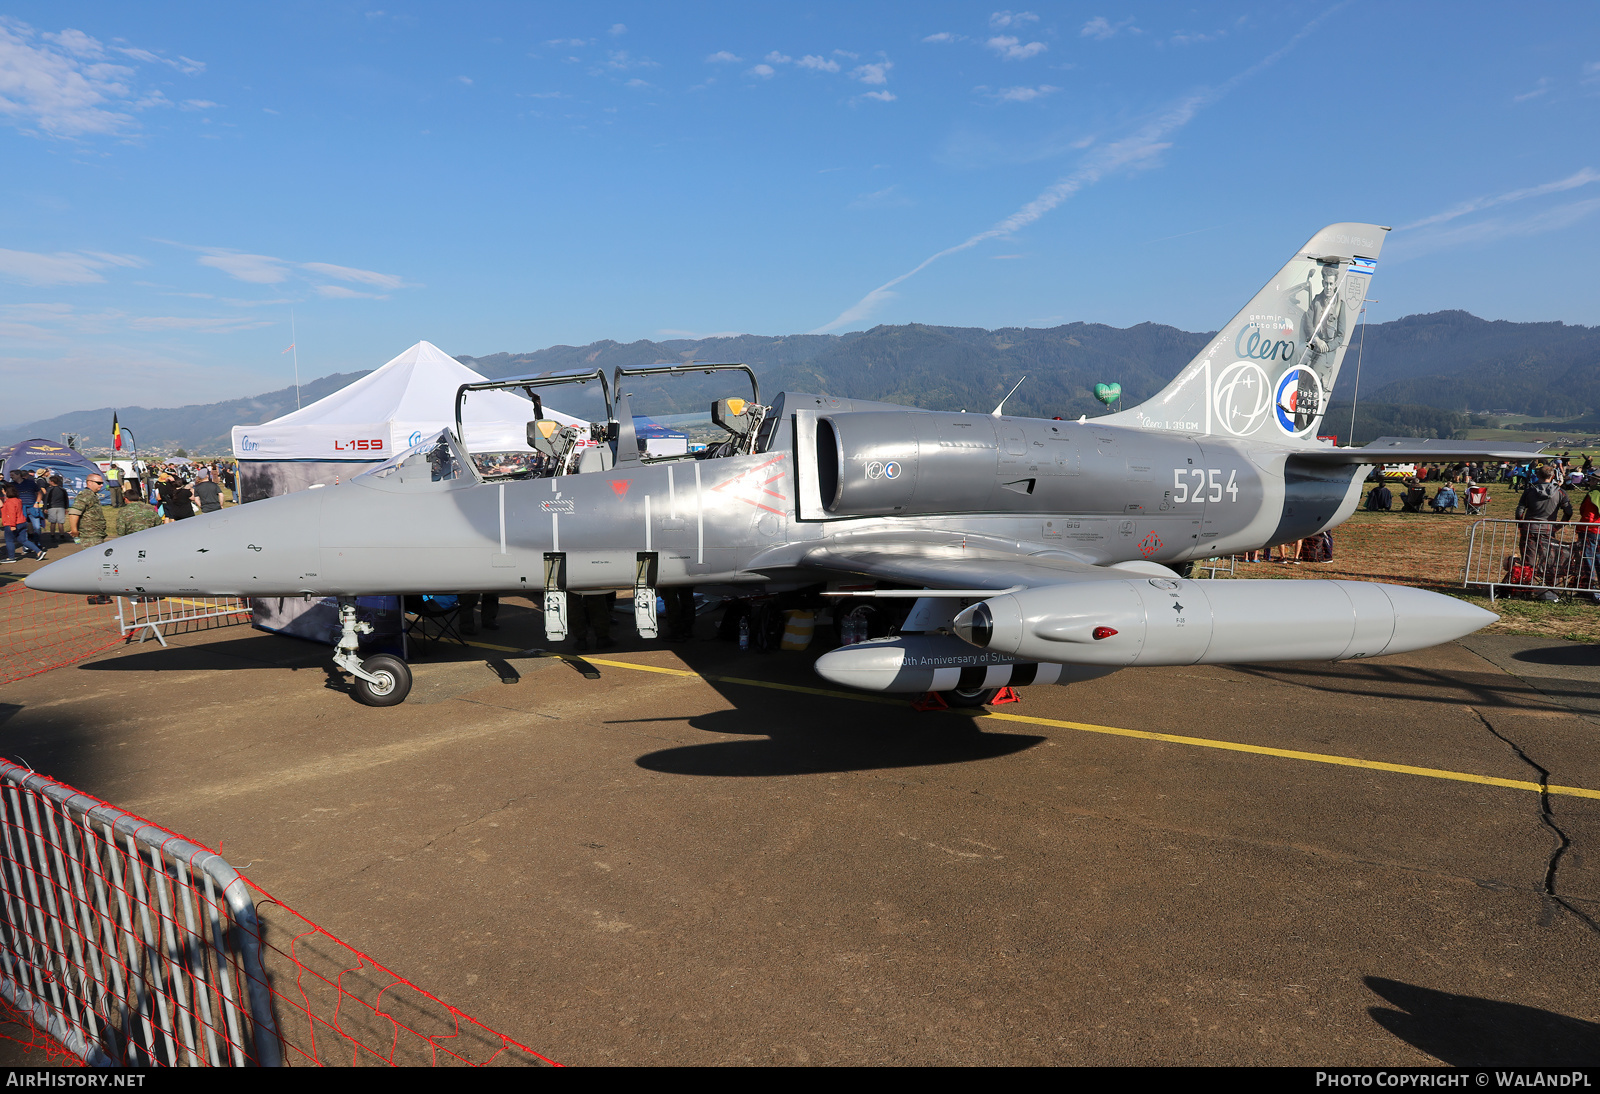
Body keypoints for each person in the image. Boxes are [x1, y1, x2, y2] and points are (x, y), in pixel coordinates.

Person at [1516, 466, 1573, 600]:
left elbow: (1520, 510)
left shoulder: (1529, 490)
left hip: (1530, 529)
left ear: (1538, 475)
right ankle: (1551, 589)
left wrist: (1521, 524)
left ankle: (1528, 588)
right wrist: (1559, 525)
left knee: (1528, 561)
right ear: (1552, 476)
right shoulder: (1560, 492)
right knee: (1549, 561)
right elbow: (1569, 511)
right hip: (1548, 530)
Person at [2, 483, 46, 563]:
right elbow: (4, 508)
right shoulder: (18, 500)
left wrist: (12, 525)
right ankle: (39, 552)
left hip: (13, 523)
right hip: (22, 522)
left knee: (9, 540)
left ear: (6, 492)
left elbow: (12, 514)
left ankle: (11, 557)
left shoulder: (10, 502)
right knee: (23, 540)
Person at [67, 472, 110, 546]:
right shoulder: (85, 495)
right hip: (90, 536)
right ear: (89, 483)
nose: (102, 485)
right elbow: (74, 513)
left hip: (96, 534)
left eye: (102, 483)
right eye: (99, 483)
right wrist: (74, 531)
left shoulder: (92, 495)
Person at [43, 475, 69, 543]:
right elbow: (66, 499)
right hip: (61, 507)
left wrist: (45, 507)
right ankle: (61, 535)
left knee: (53, 522)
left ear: (52, 482)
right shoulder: (62, 489)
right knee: (60, 522)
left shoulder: (49, 490)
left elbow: (46, 499)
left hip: (52, 507)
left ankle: (52, 535)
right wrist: (66, 507)